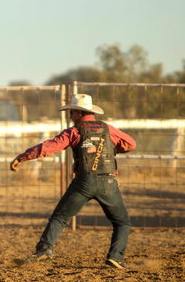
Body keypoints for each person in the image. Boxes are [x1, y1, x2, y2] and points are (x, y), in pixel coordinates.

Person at [10, 94, 136, 269]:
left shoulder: (74, 132)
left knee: (60, 218)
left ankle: (44, 250)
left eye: (71, 112)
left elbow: (49, 147)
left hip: (83, 182)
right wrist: (110, 147)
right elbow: (130, 144)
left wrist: (23, 157)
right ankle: (116, 257)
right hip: (108, 182)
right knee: (122, 222)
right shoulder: (108, 129)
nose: (69, 115)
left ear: (78, 113)